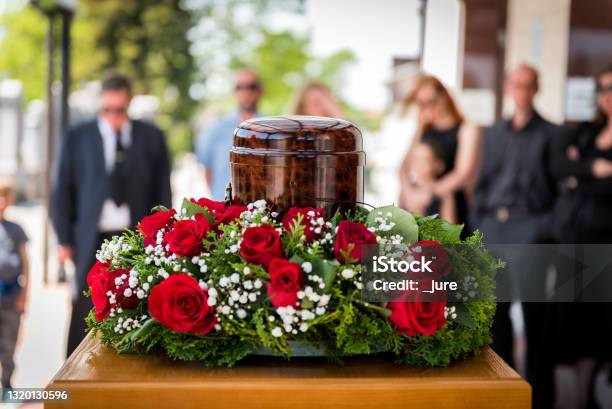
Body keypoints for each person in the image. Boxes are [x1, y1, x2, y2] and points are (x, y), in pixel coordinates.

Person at [52, 73, 172, 356]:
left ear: (128, 105)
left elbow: (163, 191)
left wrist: (161, 236)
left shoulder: (151, 137)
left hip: (134, 236)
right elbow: (62, 191)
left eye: (119, 110)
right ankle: (74, 369)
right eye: (107, 110)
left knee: (135, 299)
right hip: (90, 237)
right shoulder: (78, 137)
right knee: (84, 303)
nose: (113, 117)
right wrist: (64, 239)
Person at [473, 64, 559, 409]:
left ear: (536, 89)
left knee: (537, 319)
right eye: (516, 84)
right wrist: (480, 222)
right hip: (494, 227)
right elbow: (482, 182)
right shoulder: (492, 133)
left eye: (528, 86)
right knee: (496, 318)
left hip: (532, 229)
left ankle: (541, 399)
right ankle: (504, 395)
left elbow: (558, 189)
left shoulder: (552, 133)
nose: (521, 91)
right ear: (507, 87)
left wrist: (545, 228)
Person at [550, 65, 612, 409]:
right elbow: (560, 167)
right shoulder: (587, 133)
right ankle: (581, 398)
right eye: (601, 88)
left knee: (601, 323)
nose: (607, 95)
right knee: (576, 323)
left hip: (607, 239)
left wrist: (582, 173)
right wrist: (595, 168)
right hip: (575, 236)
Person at [398, 75, 481, 230]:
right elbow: (403, 167)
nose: (426, 108)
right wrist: (410, 193)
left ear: (444, 97)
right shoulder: (423, 129)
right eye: (421, 103)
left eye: (431, 101)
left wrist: (429, 194)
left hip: (453, 208)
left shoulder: (466, 128)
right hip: (422, 207)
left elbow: (462, 173)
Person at [196, 69, 263, 201]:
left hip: (263, 211)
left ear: (260, 91)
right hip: (225, 211)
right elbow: (207, 170)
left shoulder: (273, 131)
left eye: (251, 86)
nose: (246, 92)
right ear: (233, 92)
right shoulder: (215, 130)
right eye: (240, 87)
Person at [0, 178, 28, 400]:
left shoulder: (16, 229)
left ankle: (7, 386)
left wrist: (24, 294)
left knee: (8, 343)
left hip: (10, 294)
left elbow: (26, 263)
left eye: (5, 196)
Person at [406, 139, 457, 223]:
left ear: (438, 165)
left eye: (424, 159)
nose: (418, 164)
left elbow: (450, 231)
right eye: (415, 159)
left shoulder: (444, 195)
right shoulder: (408, 191)